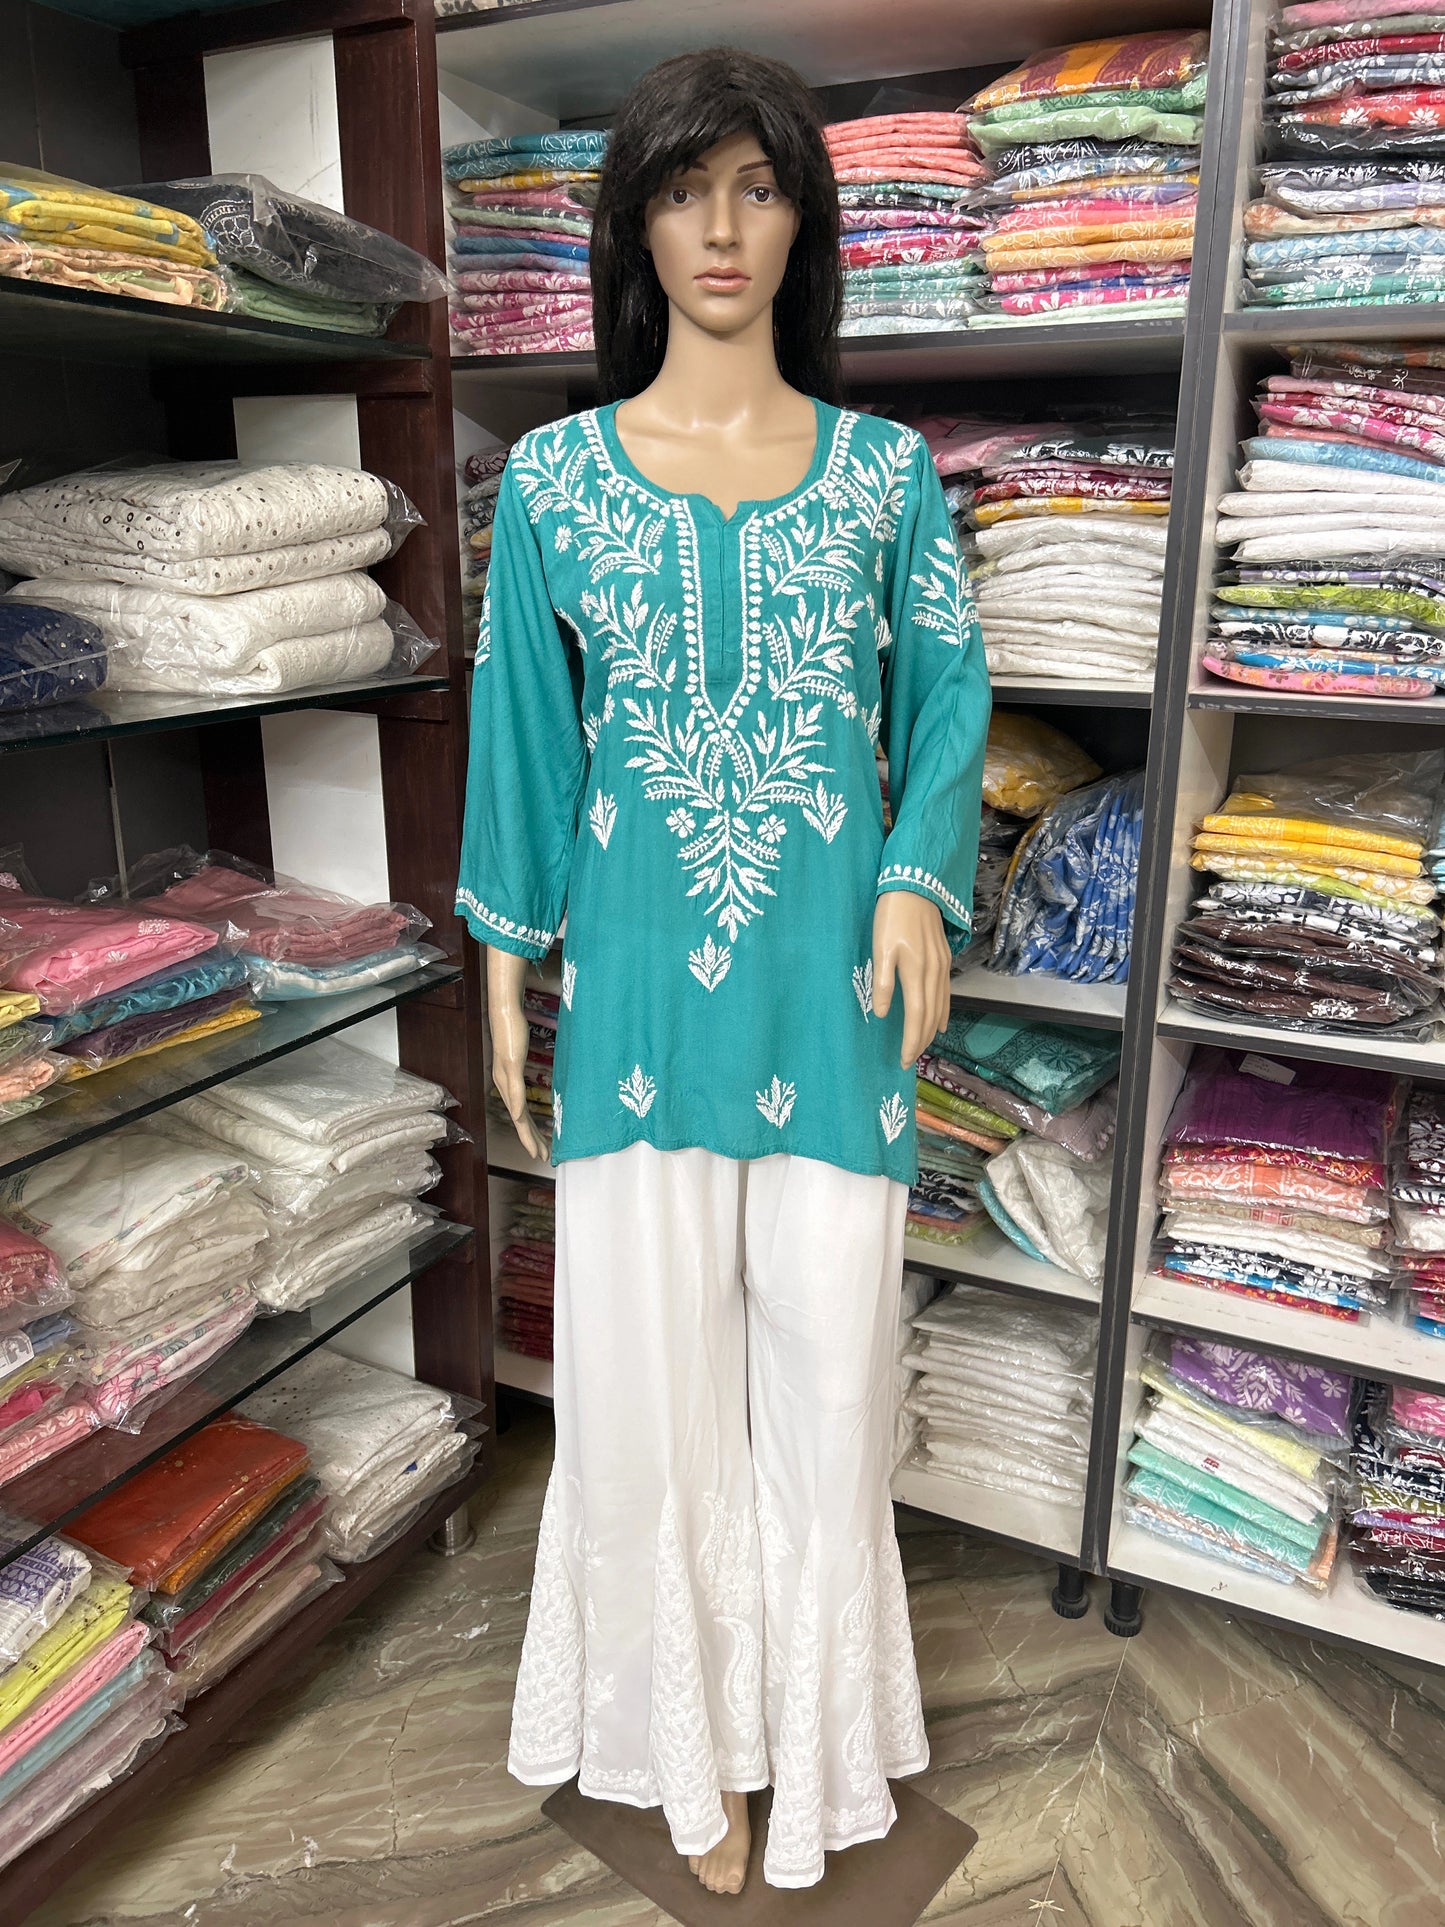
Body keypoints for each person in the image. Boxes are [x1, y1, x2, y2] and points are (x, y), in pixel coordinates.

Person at [456, 44, 990, 1896]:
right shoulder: (550, 481)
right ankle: (689, 1755)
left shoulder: (884, 478)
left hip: (835, 1013)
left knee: (831, 1391)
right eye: (686, 189)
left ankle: (814, 1742)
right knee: (643, 1399)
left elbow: (947, 698)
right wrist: (505, 960)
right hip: (630, 1013)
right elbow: (523, 737)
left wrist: (920, 875)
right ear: (634, 222)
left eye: (759, 188)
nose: (721, 229)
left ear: (803, 222)